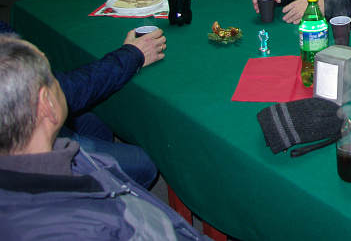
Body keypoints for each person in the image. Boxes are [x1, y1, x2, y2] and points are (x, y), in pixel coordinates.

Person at [0, 34, 204, 240]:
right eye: (53, 77)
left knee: (94, 122)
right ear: (47, 105)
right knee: (140, 162)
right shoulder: (92, 226)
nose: (59, 80)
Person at [56, 27, 168, 189]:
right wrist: (133, 55)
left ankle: (101, 163)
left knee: (97, 118)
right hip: (31, 144)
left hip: (34, 116)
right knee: (142, 164)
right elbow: (68, 91)